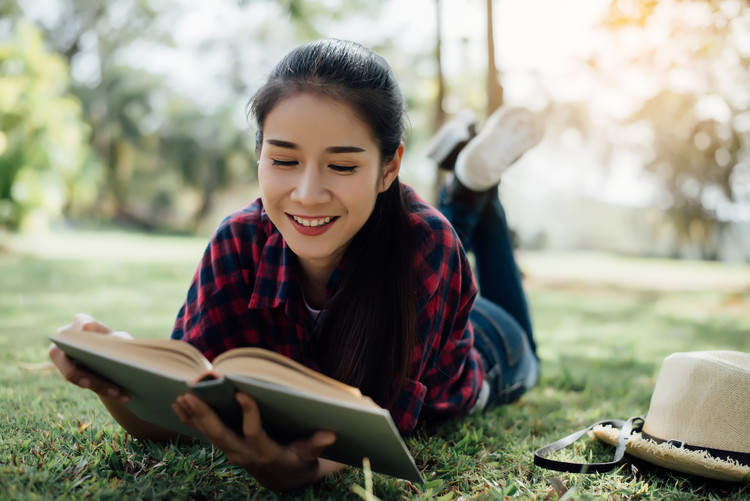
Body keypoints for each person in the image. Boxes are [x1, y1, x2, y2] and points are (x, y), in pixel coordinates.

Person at [49, 39, 543, 491]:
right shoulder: (237, 241)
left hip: (490, 351)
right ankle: (468, 184)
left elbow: (374, 429)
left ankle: (474, 189)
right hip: (420, 262)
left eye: (343, 166)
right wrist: (111, 378)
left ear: (389, 166)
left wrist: (305, 470)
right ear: (259, 154)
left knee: (508, 316)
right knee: (433, 225)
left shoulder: (427, 246)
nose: (307, 194)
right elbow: (182, 413)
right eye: (284, 160)